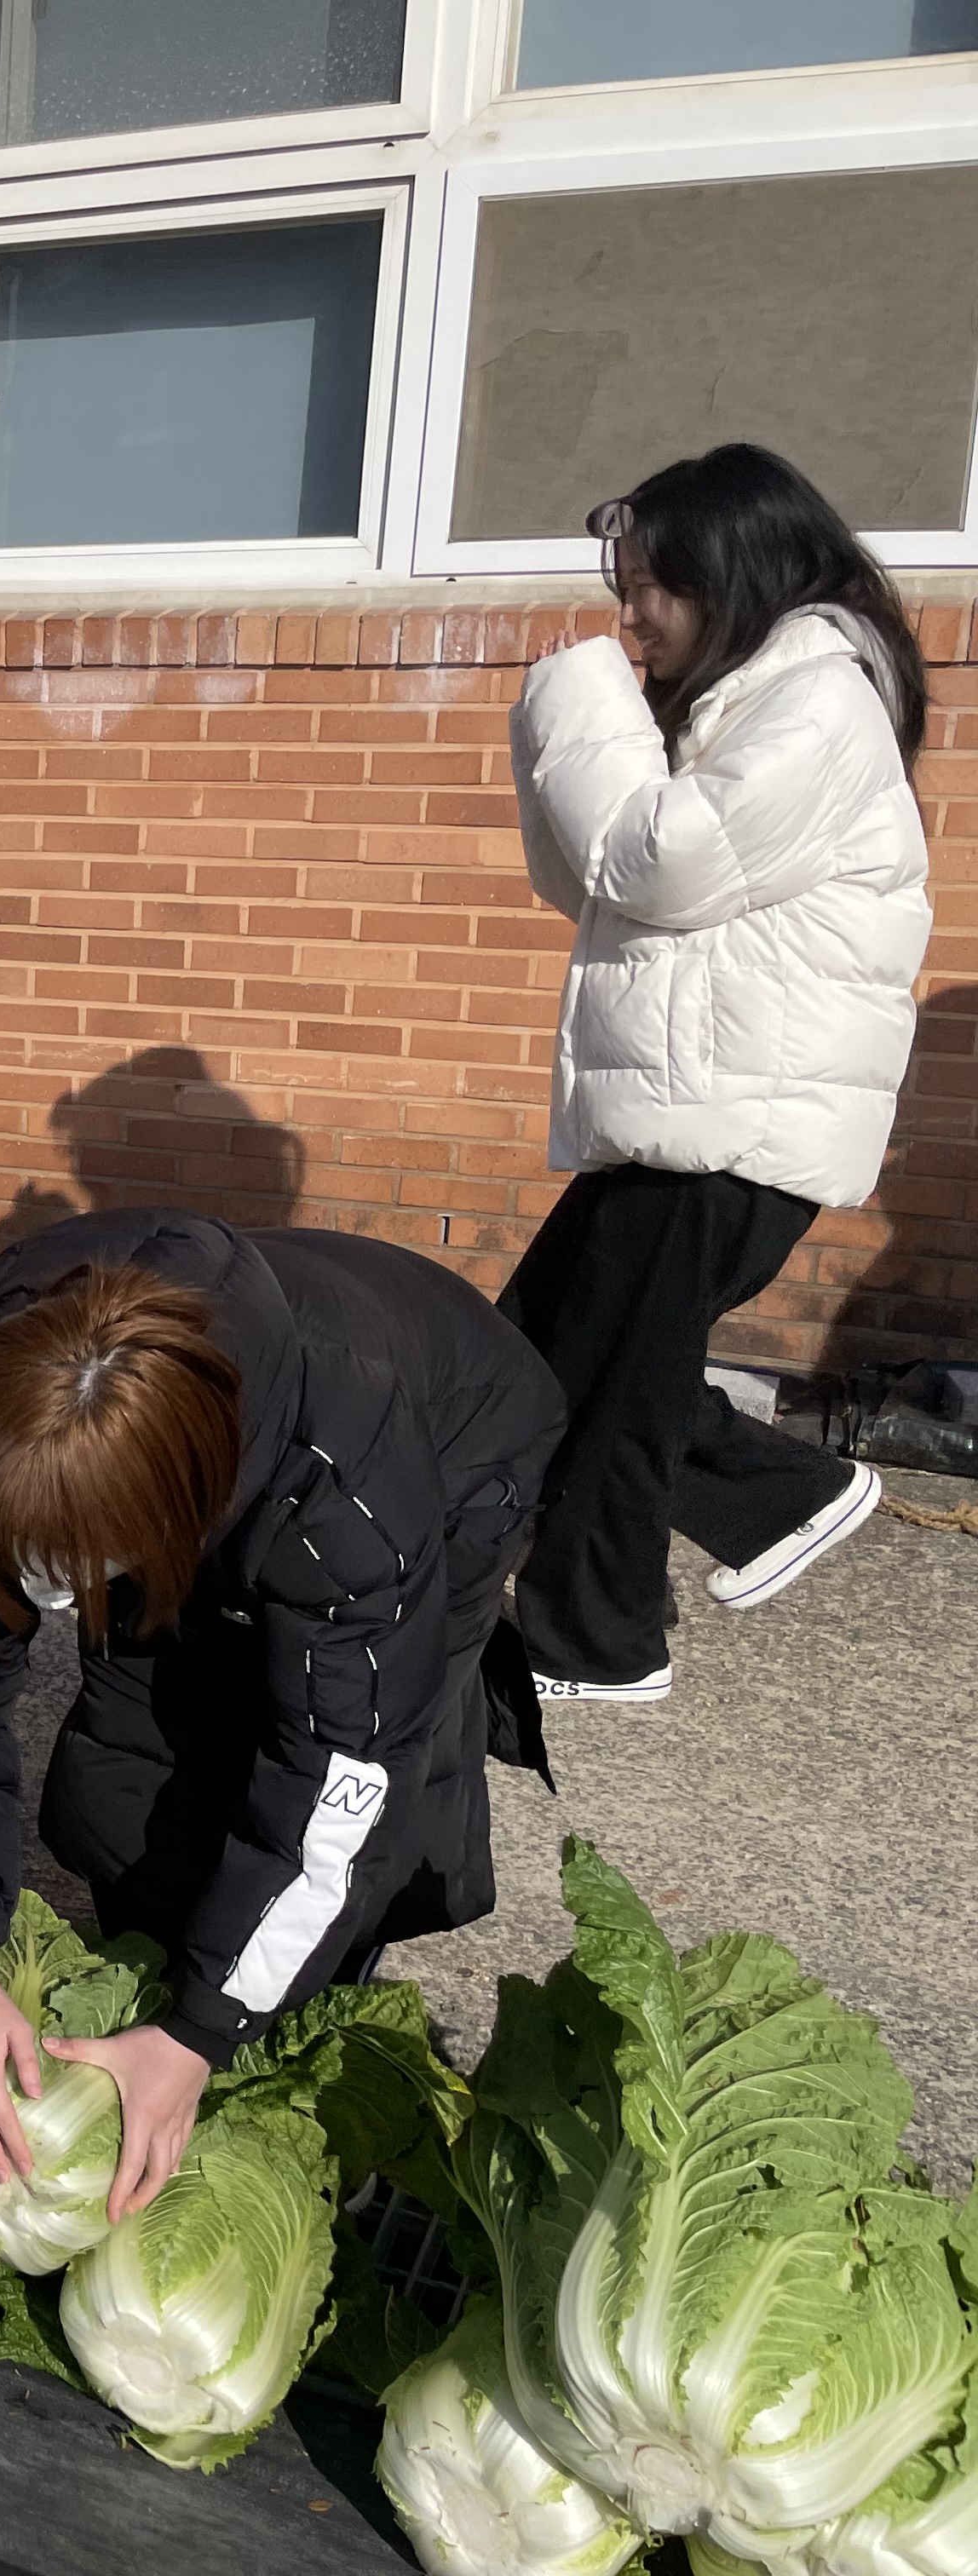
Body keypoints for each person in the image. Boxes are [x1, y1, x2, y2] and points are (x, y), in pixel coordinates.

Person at [0, 1212, 563, 2218]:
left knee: (349, 1765)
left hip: (456, 1443)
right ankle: (155, 1998)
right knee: (132, 1757)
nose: (51, 1591)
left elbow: (340, 1779)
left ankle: (282, 2039)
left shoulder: (355, 1511)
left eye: (81, 1568)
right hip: (196, 1461)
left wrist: (202, 2032)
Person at [504, 443, 932, 1703]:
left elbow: (659, 866)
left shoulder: (822, 702)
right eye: (623, 587)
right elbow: (589, 880)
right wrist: (567, 723)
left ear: (733, 572)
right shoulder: (745, 701)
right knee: (543, 1352)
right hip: (687, 1108)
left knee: (607, 1387)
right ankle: (782, 1496)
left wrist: (579, 698)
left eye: (650, 586)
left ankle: (602, 1645)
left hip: (736, 1117)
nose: (628, 617)